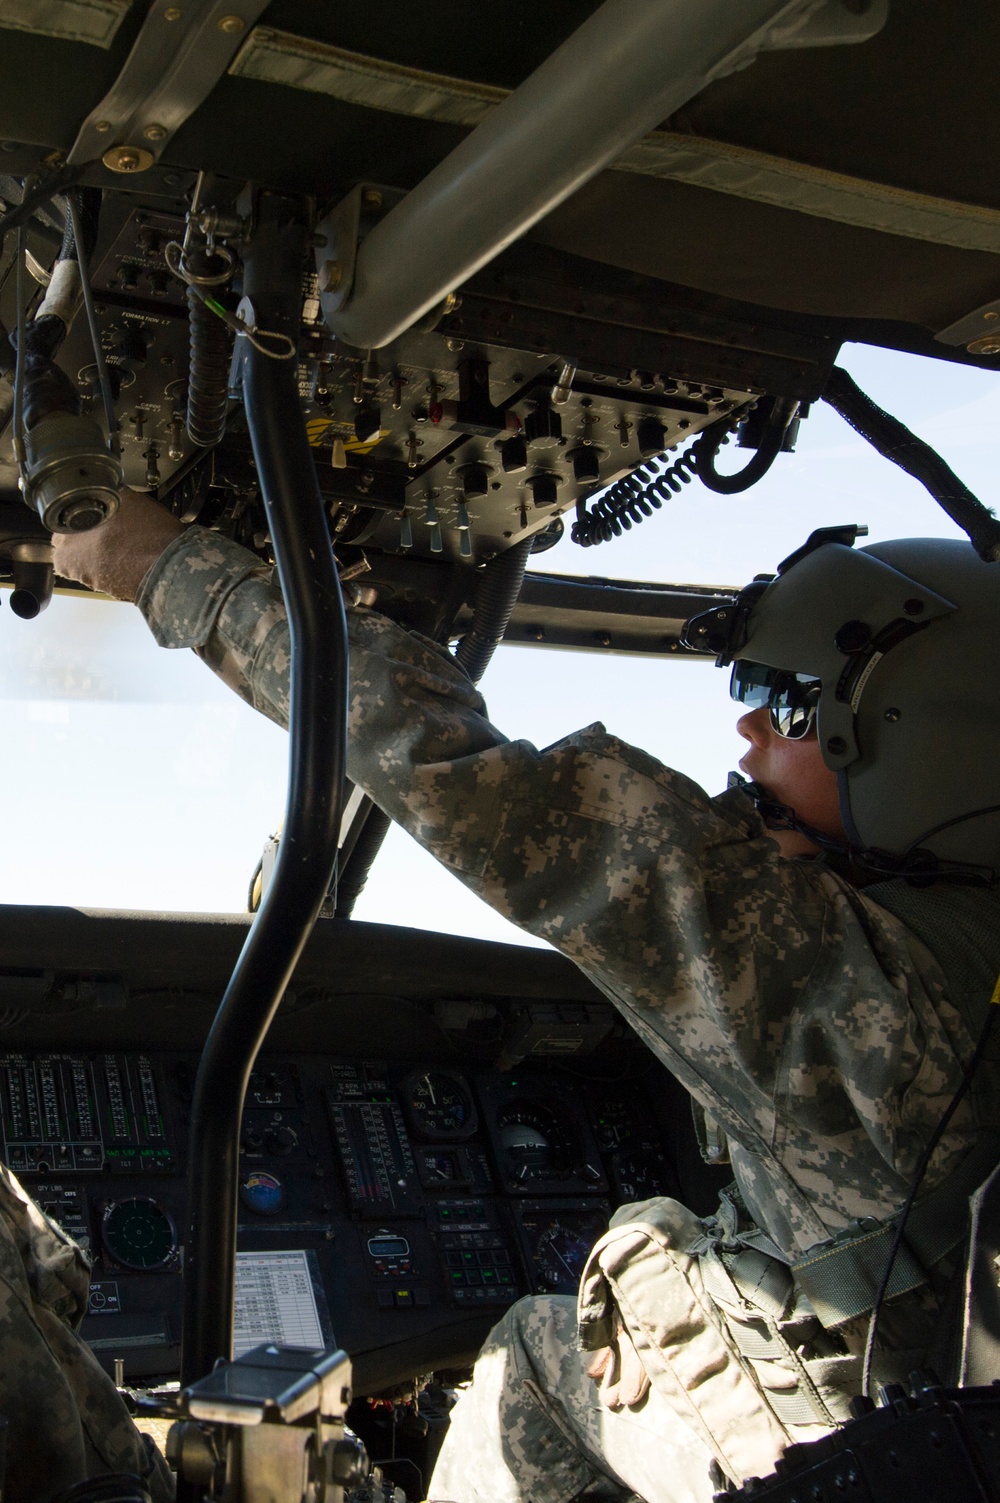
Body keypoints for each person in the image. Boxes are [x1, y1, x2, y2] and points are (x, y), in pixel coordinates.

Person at [51, 496, 1000, 1503]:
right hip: (943, 1409)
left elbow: (453, 767)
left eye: (792, 699)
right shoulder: (948, 946)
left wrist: (166, 566)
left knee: (531, 1365)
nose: (748, 720)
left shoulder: (841, 974)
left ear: (921, 745)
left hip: (879, 1443)